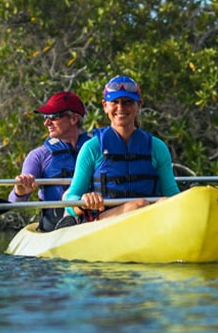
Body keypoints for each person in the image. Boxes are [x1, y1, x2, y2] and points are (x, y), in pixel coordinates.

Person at [57, 75, 180, 228]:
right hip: (104, 224)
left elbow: (172, 194)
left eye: (128, 102)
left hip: (149, 222)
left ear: (139, 106)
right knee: (138, 205)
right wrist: (84, 202)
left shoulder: (157, 147)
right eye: (115, 102)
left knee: (163, 202)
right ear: (105, 106)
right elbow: (69, 197)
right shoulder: (92, 148)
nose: (121, 108)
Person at [8, 91, 91, 232]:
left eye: (53, 117)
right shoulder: (38, 156)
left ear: (74, 119)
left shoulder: (96, 149)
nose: (46, 122)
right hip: (54, 229)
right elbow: (14, 204)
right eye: (46, 117)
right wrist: (20, 191)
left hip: (93, 222)